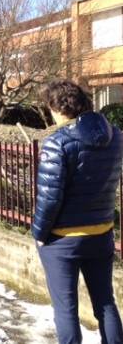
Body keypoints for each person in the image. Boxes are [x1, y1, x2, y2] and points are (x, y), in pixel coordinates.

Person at [33, 80, 123, 344]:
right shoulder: (116, 136)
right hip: (102, 233)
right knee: (105, 302)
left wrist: (39, 233)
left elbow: (49, 198)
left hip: (63, 240)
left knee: (66, 309)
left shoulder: (57, 143)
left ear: (57, 108)